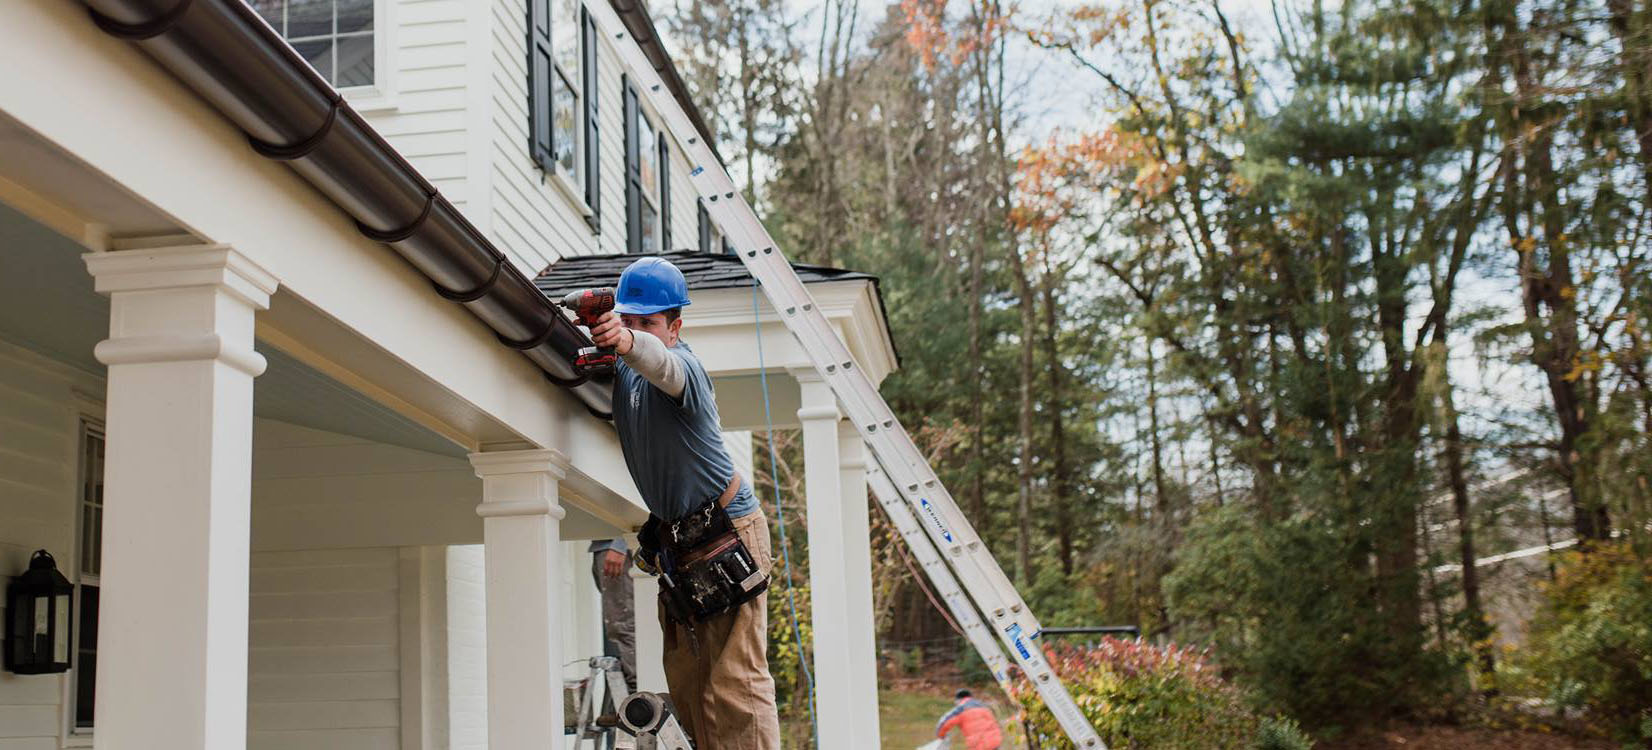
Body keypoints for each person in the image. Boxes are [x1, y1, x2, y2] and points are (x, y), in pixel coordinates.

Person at [588, 257, 780, 750]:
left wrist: (628, 340)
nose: (633, 330)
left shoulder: (684, 369)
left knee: (734, 683)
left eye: (647, 322)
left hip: (728, 531)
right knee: (689, 684)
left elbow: (659, 363)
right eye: (626, 319)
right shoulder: (625, 373)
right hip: (680, 542)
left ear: (674, 327)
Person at [588, 538, 637, 691]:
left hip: (617, 546)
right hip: (605, 545)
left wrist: (621, 543)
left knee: (624, 625)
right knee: (621, 626)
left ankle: (640, 697)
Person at [936, 689, 1003, 750]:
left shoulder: (960, 709)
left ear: (958, 700)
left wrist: (941, 736)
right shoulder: (984, 706)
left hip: (979, 745)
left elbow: (943, 722)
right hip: (995, 743)